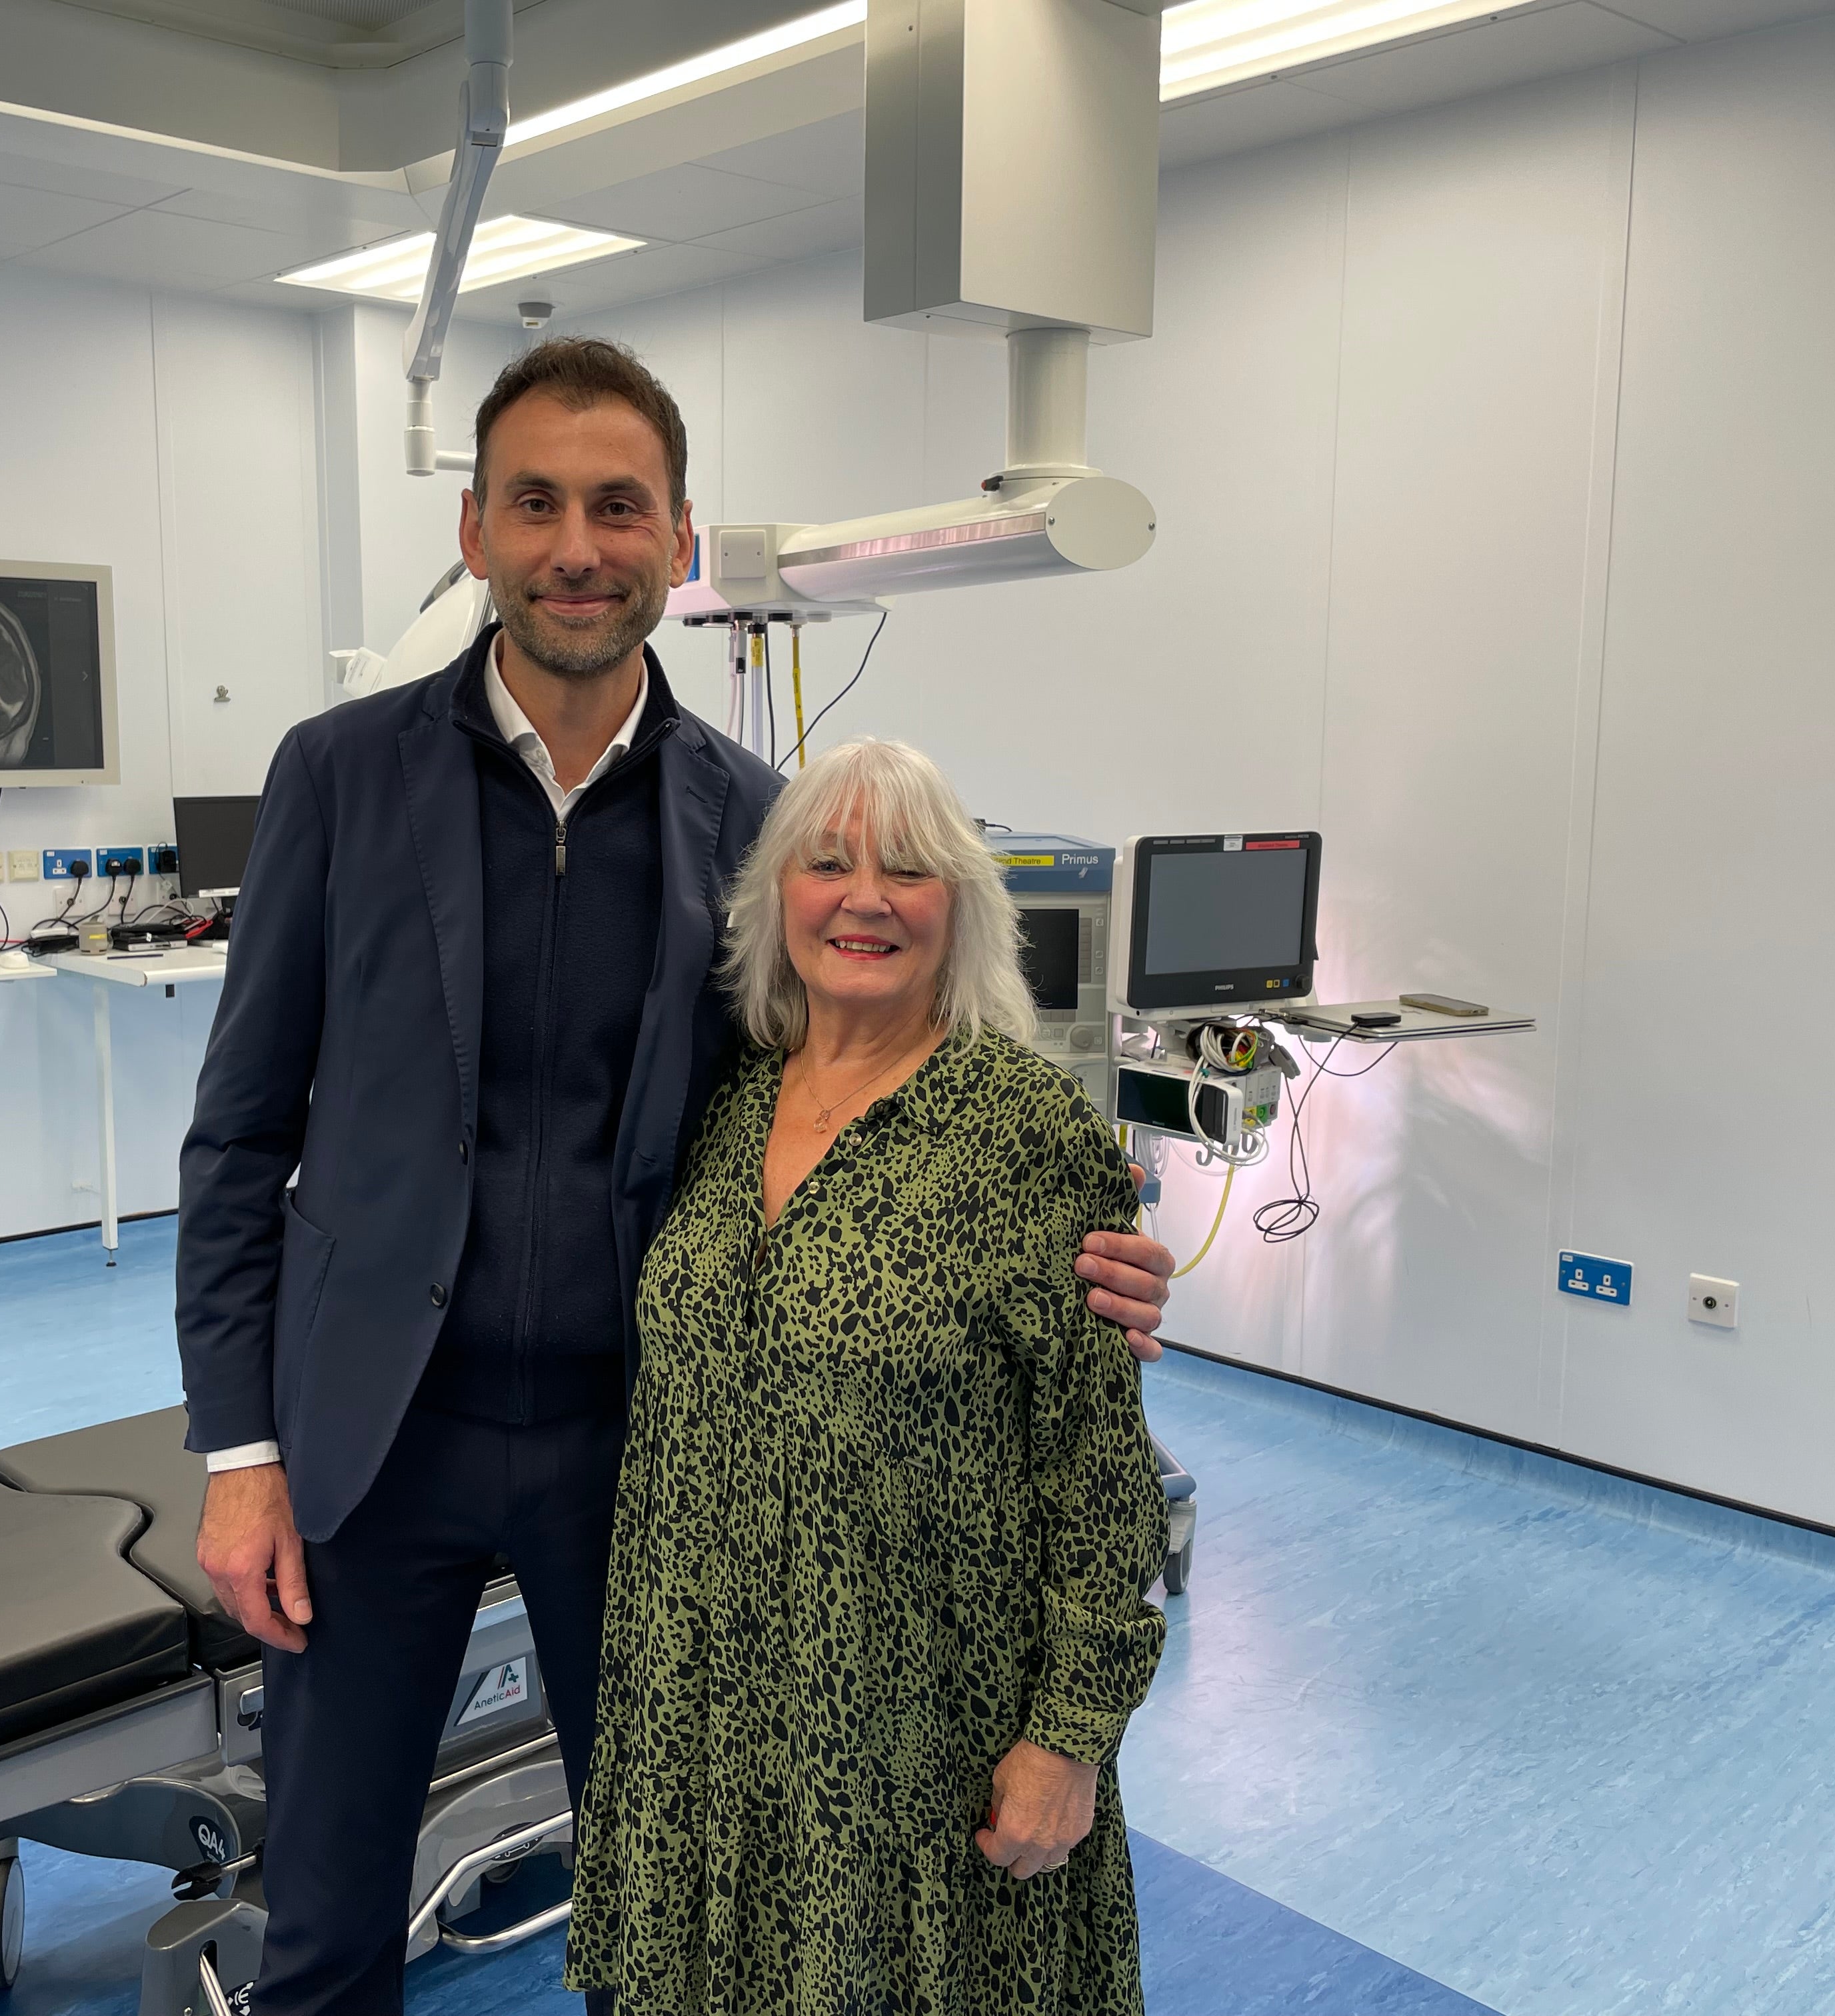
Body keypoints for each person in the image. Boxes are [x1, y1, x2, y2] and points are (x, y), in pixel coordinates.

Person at [174, 337, 1178, 2016]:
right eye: (539, 503)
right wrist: (241, 1450)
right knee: (331, 1923)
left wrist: (1079, 1259)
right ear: (478, 530)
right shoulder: (340, 775)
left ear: (680, 536)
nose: (580, 544)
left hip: (638, 1461)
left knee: (677, 1898)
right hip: (374, 1444)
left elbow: (841, 1122)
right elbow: (239, 1132)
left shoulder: (751, 820)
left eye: (620, 506)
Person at [565, 736, 1168, 2016]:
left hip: (919, 1728)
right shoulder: (722, 1103)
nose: (866, 897)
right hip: (708, 1712)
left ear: (962, 909)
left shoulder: (1019, 1127)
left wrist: (1068, 1741)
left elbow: (1099, 1477)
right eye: (827, 863)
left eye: (911, 868)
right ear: (774, 900)